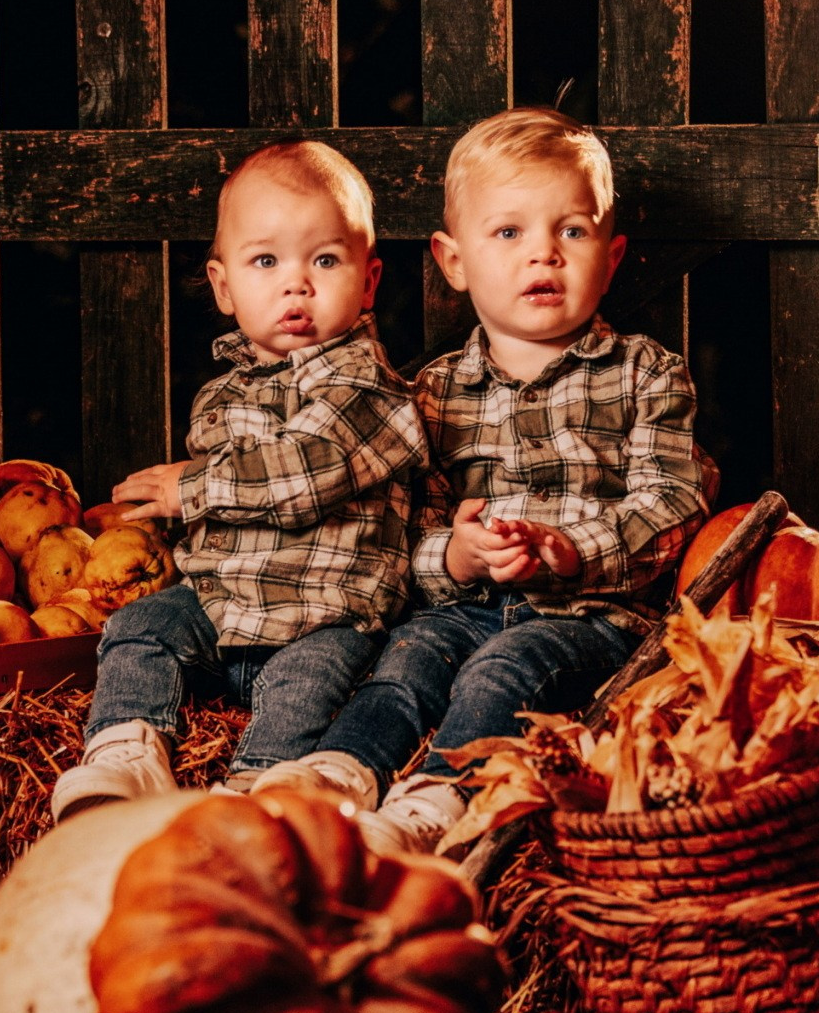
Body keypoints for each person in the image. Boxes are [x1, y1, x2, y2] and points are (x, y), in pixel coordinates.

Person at [254, 107, 712, 852]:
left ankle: (439, 797)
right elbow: (403, 534)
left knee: (503, 669)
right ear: (452, 260)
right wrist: (457, 557)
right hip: (463, 607)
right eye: (509, 233)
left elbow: (671, 502)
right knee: (402, 664)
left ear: (612, 254)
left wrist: (567, 549)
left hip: (592, 618)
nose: (545, 256)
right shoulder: (427, 394)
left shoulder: (645, 373)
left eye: (571, 231)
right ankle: (335, 773)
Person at [50, 141, 427, 820]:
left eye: (325, 260)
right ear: (224, 287)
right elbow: (220, 511)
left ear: (368, 282)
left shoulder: (367, 388)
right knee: (139, 627)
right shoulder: (220, 396)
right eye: (265, 261)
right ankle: (125, 749)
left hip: (323, 616)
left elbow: (309, 467)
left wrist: (189, 488)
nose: (296, 283)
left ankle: (259, 787)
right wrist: (160, 518)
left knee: (304, 686)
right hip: (220, 608)